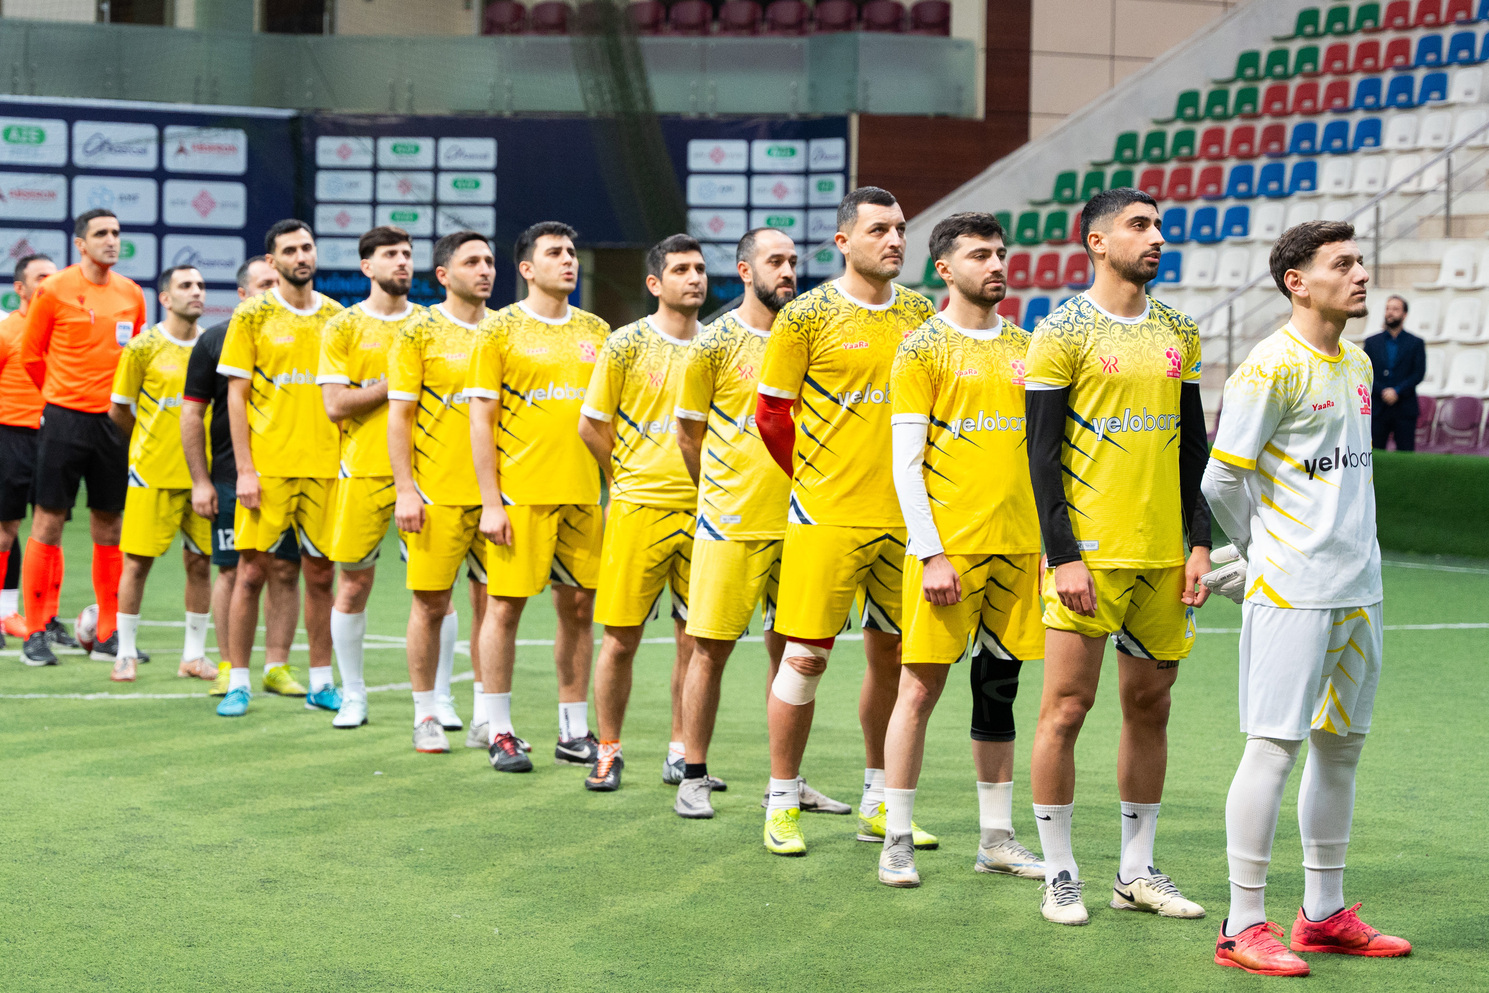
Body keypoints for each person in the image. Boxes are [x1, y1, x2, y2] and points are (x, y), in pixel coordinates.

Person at [1204, 221, 1410, 976]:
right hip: (1292, 592)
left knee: (1340, 748)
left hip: (1361, 588)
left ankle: (1321, 914)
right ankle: (1242, 923)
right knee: (1271, 748)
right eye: (1341, 264)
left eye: (1359, 261)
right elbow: (1222, 478)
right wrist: (1263, 553)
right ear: (1296, 280)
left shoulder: (1354, 360)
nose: (1360, 274)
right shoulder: (1267, 367)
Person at [1022, 187, 1213, 925]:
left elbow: (1193, 448)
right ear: (1096, 242)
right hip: (1088, 560)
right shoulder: (1060, 330)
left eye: (1159, 224)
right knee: (1066, 708)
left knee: (1149, 706)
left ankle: (1135, 870)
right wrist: (1062, 554)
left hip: (1162, 557)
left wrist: (1197, 540)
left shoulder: (1178, 330)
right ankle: (1060, 871)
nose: (1156, 236)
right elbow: (1038, 457)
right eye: (1139, 225)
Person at [754, 187, 937, 857]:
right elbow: (771, 414)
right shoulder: (803, 316)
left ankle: (878, 800)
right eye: (879, 229)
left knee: (895, 660)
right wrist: (812, 479)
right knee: (803, 661)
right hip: (826, 517)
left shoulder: (922, 313)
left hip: (906, 520)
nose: (894, 239)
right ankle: (780, 801)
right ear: (843, 242)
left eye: (899, 228)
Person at [878, 213, 1046, 887]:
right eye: (980, 254)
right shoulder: (921, 348)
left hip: (1017, 551)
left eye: (1001, 253)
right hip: (950, 554)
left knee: (998, 690)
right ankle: (894, 837)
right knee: (918, 688)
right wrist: (931, 552)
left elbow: (1041, 456)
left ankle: (997, 838)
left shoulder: (1030, 347)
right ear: (944, 269)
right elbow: (905, 463)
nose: (996, 264)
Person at [671, 227, 849, 820]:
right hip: (732, 525)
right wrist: (720, 496)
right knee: (709, 652)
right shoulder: (715, 341)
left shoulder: (813, 334)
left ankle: (788, 781)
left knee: (796, 657)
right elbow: (688, 433)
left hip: (806, 524)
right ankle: (692, 772)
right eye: (776, 261)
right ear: (745, 271)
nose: (789, 271)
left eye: (794, 261)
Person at [468, 222, 608, 767]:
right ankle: (499, 729)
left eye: (572, 251)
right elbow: (481, 421)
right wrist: (490, 501)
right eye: (554, 253)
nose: (568, 260)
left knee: (577, 608)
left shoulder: (597, 330)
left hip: (582, 496)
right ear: (527, 269)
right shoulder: (498, 331)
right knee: (503, 609)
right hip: (520, 497)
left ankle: (574, 730)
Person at [577, 234, 706, 792]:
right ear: (655, 284)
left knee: (694, 640)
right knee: (620, 639)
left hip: (706, 515)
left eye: (700, 269)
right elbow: (591, 425)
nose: (694, 278)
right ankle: (608, 748)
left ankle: (682, 750)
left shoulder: (719, 343)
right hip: (638, 511)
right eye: (680, 270)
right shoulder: (626, 344)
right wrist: (624, 478)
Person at [317, 226, 457, 732]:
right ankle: (353, 694)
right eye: (390, 255)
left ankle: (441, 698)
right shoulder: (343, 327)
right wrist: (393, 384)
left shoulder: (430, 323)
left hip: (430, 474)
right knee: (353, 585)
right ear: (366, 267)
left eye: (407, 254)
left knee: (437, 592)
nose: (402, 262)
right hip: (363, 473)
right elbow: (335, 406)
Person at [215, 220, 343, 717]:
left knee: (320, 576)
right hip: (267, 470)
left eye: (307, 247)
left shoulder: (337, 317)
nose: (301, 256)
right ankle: (238, 682)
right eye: (290, 250)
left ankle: (320, 681)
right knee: (250, 574)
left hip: (325, 469)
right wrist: (245, 470)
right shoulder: (251, 316)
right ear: (273, 261)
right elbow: (236, 398)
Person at [18, 209, 147, 666]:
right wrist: (59, 399)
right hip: (64, 418)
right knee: (48, 521)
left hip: (112, 421)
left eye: (116, 232)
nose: (112, 240)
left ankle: (110, 632)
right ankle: (36, 631)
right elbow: (31, 356)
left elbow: (134, 360)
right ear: (81, 243)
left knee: (109, 525)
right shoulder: (53, 290)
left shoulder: (132, 294)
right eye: (101, 234)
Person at [387, 231, 494, 758]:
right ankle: (425, 712)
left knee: (493, 606)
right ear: (444, 275)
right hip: (436, 496)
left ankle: (485, 716)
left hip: (500, 497)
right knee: (430, 605)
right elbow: (399, 417)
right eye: (472, 261)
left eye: (490, 261)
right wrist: (406, 490)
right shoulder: (419, 330)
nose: (485, 270)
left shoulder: (506, 328)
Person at [182, 255, 304, 697]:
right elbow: (192, 415)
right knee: (236, 572)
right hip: (235, 477)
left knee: (288, 571)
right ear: (242, 294)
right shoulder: (215, 341)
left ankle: (277, 666)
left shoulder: (302, 336)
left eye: (277, 283)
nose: (273, 291)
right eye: (263, 284)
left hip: (290, 473)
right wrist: (201, 480)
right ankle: (232, 666)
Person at [105, 266, 217, 683]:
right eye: (186, 286)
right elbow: (118, 409)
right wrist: (148, 445)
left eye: (201, 286)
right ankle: (126, 652)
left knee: (200, 564)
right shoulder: (142, 347)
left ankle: (193, 655)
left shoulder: (212, 347)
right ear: (165, 299)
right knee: (136, 564)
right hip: (151, 474)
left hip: (201, 478)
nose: (196, 292)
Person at [0, 254, 58, 648]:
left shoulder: (65, 332)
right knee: (6, 529)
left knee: (48, 528)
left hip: (54, 437)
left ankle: (46, 618)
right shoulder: (7, 332)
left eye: (54, 278)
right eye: (41, 278)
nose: (49, 285)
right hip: (11, 435)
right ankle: (3, 613)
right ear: (19, 288)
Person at [1362, 295, 1425, 452]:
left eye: (1395, 309)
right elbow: (1365, 372)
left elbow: (1418, 373)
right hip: (1378, 407)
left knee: (1406, 455)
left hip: (1404, 407)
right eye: (1388, 308)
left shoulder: (1416, 343)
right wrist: (1382, 391)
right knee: (1374, 454)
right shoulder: (1371, 342)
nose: (1390, 312)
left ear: (1404, 315)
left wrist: (1396, 391)